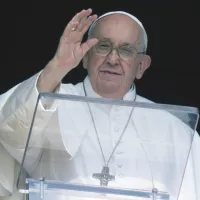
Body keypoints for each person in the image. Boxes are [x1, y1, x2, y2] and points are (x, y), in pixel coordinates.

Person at [0, 8, 199, 200]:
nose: (112, 59)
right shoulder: (49, 101)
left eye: (126, 50)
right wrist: (57, 67)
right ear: (86, 57)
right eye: (103, 46)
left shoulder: (177, 133)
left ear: (141, 66)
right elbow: (9, 131)